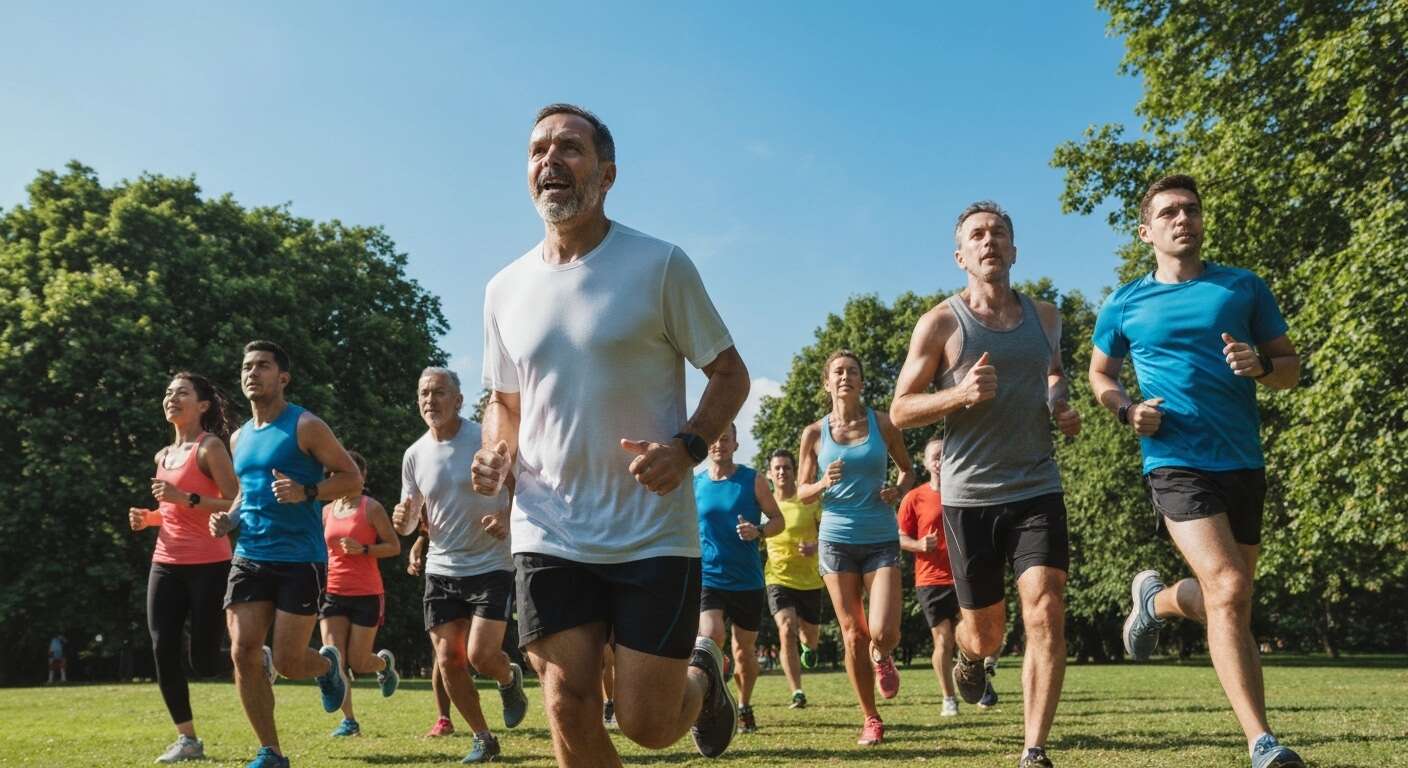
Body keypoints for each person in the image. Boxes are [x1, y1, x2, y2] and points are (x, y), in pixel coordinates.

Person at [473, 103, 750, 765]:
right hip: (550, 525)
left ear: (607, 173)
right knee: (566, 699)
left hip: (650, 529)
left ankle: (703, 680)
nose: (550, 161)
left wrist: (686, 449)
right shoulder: (503, 288)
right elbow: (503, 401)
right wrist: (496, 450)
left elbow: (730, 374)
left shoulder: (659, 265)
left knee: (647, 723)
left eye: (569, 148)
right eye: (538, 149)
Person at [1090, 175, 1304, 768]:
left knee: (1229, 597)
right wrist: (1128, 410)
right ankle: (1262, 741)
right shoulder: (1126, 302)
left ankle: (1155, 603)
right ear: (1146, 230)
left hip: (1241, 458)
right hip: (1175, 460)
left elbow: (1290, 368)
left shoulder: (1242, 287)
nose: (1182, 219)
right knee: (1230, 587)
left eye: (1190, 210)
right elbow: (1099, 375)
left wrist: (1261, 365)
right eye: (1168, 212)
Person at [891, 201, 1081, 768]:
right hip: (969, 496)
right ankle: (971, 660)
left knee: (1045, 608)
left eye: (999, 233)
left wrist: (1061, 403)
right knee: (987, 634)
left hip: (1036, 484)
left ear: (1014, 250)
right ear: (961, 256)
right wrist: (958, 395)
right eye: (977, 235)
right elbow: (900, 410)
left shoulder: (1046, 316)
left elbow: (1052, 373)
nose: (989, 240)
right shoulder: (942, 323)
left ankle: (1034, 748)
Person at [208, 340, 362, 768]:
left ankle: (327, 669)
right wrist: (228, 520)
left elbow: (350, 478)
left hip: (300, 558)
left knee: (292, 662)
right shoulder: (238, 438)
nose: (252, 373)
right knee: (243, 651)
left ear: (283, 378)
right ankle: (271, 751)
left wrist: (308, 491)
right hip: (250, 555)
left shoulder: (306, 426)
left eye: (262, 366)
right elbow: (245, 495)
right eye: (246, 367)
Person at [393, 367, 528, 764]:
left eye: (438, 392)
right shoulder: (414, 454)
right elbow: (411, 515)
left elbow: (521, 487)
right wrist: (403, 523)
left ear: (458, 399)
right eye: (423, 394)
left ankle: (507, 677)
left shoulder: (484, 440)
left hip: (491, 563)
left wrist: (506, 519)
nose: (429, 400)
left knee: (481, 656)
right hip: (442, 568)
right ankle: (482, 737)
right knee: (448, 660)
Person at [797, 350, 915, 746]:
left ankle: (883, 657)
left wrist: (897, 490)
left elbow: (907, 469)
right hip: (835, 541)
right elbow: (802, 492)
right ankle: (871, 718)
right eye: (838, 372)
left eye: (852, 371)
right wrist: (822, 484)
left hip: (880, 535)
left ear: (861, 382)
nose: (845, 377)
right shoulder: (814, 434)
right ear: (826, 383)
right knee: (852, 635)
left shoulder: (883, 423)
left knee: (883, 631)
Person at [128, 372, 239, 763]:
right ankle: (187, 739)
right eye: (168, 392)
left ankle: (253, 657)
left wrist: (185, 496)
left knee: (205, 661)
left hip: (209, 563)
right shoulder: (162, 455)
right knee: (163, 647)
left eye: (182, 393)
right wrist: (150, 518)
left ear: (203, 405)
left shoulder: (210, 449)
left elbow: (234, 502)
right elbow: (173, 513)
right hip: (166, 562)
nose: (171, 398)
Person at [695, 423, 783, 734]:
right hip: (709, 576)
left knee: (744, 650)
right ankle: (708, 700)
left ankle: (743, 704)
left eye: (725, 438)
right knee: (710, 635)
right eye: (714, 438)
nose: (718, 444)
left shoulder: (753, 479)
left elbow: (778, 520)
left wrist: (757, 531)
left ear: (735, 443)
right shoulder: (695, 484)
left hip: (747, 580)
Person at [318, 450, 401, 738]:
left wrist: (364, 549)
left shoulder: (371, 508)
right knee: (334, 660)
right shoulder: (326, 510)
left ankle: (384, 664)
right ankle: (349, 721)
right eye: (334, 473)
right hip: (332, 592)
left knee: (359, 661)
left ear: (361, 476)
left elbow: (393, 546)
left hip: (367, 592)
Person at [897, 436, 962, 718]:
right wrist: (920, 545)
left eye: (944, 455)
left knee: (974, 636)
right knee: (944, 641)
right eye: (934, 456)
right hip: (931, 579)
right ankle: (949, 697)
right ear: (925, 463)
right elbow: (900, 537)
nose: (939, 460)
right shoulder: (914, 497)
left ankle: (974, 677)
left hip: (964, 576)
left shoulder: (964, 490)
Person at [762, 448, 825, 710]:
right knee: (786, 628)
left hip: (810, 579)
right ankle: (797, 691)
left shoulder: (808, 500)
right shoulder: (764, 505)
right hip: (777, 577)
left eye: (786, 467)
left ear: (793, 470)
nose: (781, 472)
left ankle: (808, 647)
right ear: (769, 473)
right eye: (776, 468)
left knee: (809, 637)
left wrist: (816, 546)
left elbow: (830, 532)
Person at [407, 521, 457, 739]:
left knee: (479, 654)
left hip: (484, 571)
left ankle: (507, 677)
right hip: (441, 575)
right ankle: (444, 719)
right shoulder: (429, 494)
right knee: (443, 653)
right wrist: (417, 550)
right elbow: (424, 531)